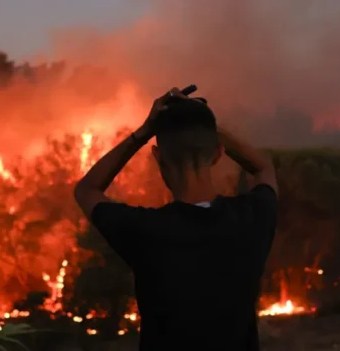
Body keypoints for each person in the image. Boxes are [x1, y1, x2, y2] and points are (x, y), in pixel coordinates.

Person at [74, 87, 278, 350]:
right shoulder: (252, 218)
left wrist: (143, 133)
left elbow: (87, 189)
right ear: (218, 153)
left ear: (158, 158)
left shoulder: (145, 231)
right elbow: (263, 167)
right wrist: (207, 125)